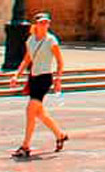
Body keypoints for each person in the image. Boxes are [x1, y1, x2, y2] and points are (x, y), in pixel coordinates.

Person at [9, 13, 68, 158]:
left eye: (47, 22)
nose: (45, 25)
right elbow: (27, 59)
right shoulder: (31, 40)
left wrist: (58, 79)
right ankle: (60, 135)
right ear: (36, 24)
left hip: (44, 78)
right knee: (40, 113)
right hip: (33, 78)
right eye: (42, 22)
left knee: (30, 111)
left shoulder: (51, 40)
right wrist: (17, 75)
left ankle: (25, 146)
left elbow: (60, 61)